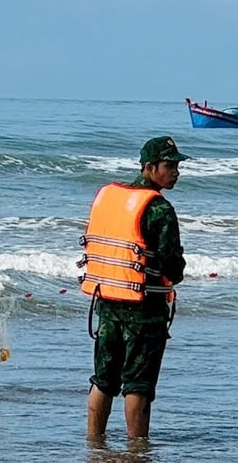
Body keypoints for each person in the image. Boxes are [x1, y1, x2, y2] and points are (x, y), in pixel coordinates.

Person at [80, 136, 187, 444]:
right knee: (138, 385)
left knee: (104, 379)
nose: (176, 172)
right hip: (145, 308)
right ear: (150, 167)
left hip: (106, 299)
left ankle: (94, 444)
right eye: (169, 166)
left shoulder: (109, 198)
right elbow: (172, 267)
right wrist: (178, 270)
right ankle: (137, 452)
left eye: (177, 166)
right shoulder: (159, 209)